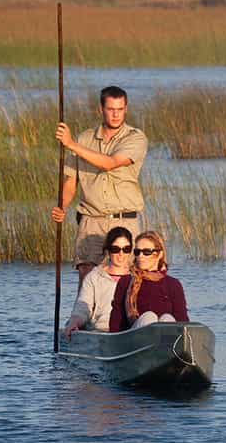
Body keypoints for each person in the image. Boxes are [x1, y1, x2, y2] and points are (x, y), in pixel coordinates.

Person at [51, 85, 148, 288]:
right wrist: (62, 207)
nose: (115, 114)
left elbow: (110, 163)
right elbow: (70, 181)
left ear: (126, 109)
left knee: (126, 280)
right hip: (90, 220)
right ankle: (86, 320)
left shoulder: (136, 138)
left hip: (124, 219)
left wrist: (70, 144)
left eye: (120, 109)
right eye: (111, 109)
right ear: (100, 110)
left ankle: (125, 319)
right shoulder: (84, 139)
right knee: (87, 278)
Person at [110, 231, 189, 332]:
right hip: (133, 339)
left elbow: (182, 321)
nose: (140, 256)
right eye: (137, 252)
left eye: (146, 252)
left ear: (159, 254)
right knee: (149, 317)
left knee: (167, 319)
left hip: (166, 340)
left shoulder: (173, 284)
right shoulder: (126, 282)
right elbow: (116, 319)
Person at [63, 227, 133, 340]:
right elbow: (83, 307)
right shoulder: (94, 277)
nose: (121, 254)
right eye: (116, 249)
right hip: (101, 331)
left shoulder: (137, 277)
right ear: (108, 251)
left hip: (130, 331)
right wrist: (74, 322)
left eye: (126, 249)